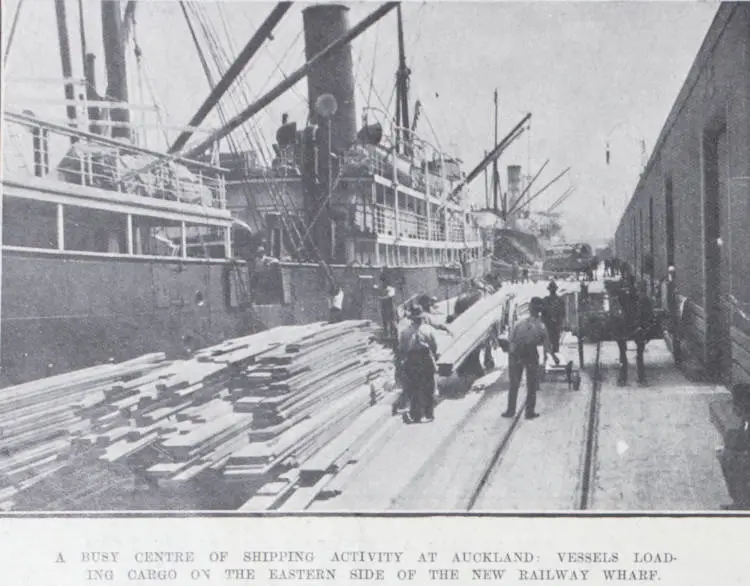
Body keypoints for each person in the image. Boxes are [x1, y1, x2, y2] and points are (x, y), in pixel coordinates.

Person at [502, 296, 550, 420]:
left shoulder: (520, 323)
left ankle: (510, 410)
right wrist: (546, 358)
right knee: (531, 385)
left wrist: (511, 354)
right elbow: (545, 343)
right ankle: (529, 412)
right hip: (530, 353)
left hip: (517, 353)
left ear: (529, 309)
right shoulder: (541, 325)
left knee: (515, 384)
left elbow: (511, 339)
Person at [397, 305, 439, 423]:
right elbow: (434, 346)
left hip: (412, 360)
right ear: (421, 318)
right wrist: (434, 355)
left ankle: (416, 415)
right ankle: (429, 413)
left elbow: (402, 348)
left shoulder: (405, 331)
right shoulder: (428, 329)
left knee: (414, 387)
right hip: (425, 359)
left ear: (412, 318)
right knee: (428, 387)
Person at [542, 280, 565, 366]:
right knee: (555, 344)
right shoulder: (560, 300)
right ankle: (555, 362)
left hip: (549, 326)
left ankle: (547, 362)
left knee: (547, 344)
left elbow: (542, 315)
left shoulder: (545, 300)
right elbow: (563, 314)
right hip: (555, 326)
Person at [378, 274, 397, 339]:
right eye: (382, 281)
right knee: (385, 321)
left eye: (384, 281)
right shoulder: (381, 288)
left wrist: (380, 297)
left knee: (392, 322)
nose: (383, 283)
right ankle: (386, 335)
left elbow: (389, 296)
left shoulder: (391, 289)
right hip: (384, 307)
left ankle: (394, 336)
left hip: (390, 307)